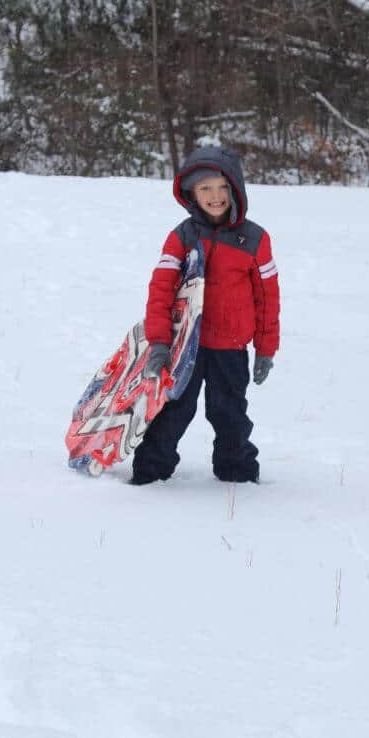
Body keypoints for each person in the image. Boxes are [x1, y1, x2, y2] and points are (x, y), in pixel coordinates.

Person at [131, 145, 280, 485]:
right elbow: (161, 290)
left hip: (230, 347)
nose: (215, 196)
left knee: (229, 414)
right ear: (191, 193)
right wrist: (158, 343)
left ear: (236, 189)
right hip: (186, 347)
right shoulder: (182, 236)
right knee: (174, 411)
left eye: (223, 187)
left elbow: (268, 298)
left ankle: (237, 474)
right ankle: (149, 474)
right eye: (205, 188)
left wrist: (266, 348)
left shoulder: (255, 239)